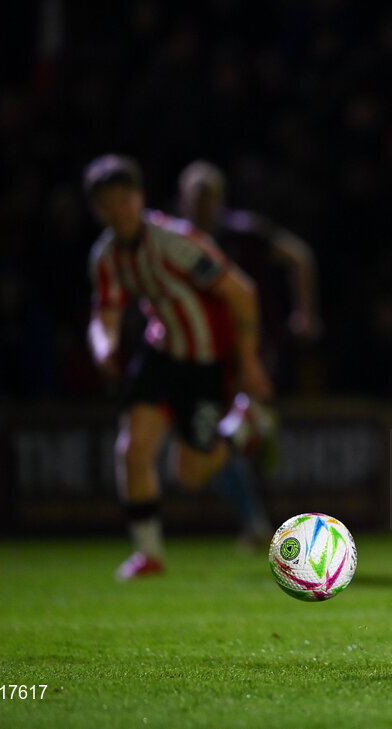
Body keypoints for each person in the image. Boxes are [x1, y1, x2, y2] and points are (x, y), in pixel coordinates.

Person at [85, 154, 271, 580]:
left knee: (190, 473)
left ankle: (241, 425)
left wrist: (247, 361)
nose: (117, 210)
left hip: (207, 364)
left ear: (139, 198)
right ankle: (148, 554)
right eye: (106, 203)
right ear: (98, 210)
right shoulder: (106, 257)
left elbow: (242, 292)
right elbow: (106, 315)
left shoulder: (176, 241)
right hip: (162, 353)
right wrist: (103, 348)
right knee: (132, 448)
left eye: (123, 199)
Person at [177, 160, 324, 548]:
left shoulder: (244, 232)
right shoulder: (177, 242)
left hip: (253, 350)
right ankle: (255, 432)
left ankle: (255, 516)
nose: (202, 208)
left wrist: (304, 311)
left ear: (220, 201)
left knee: (220, 435)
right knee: (209, 443)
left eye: (208, 200)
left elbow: (298, 256)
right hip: (202, 355)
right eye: (195, 201)